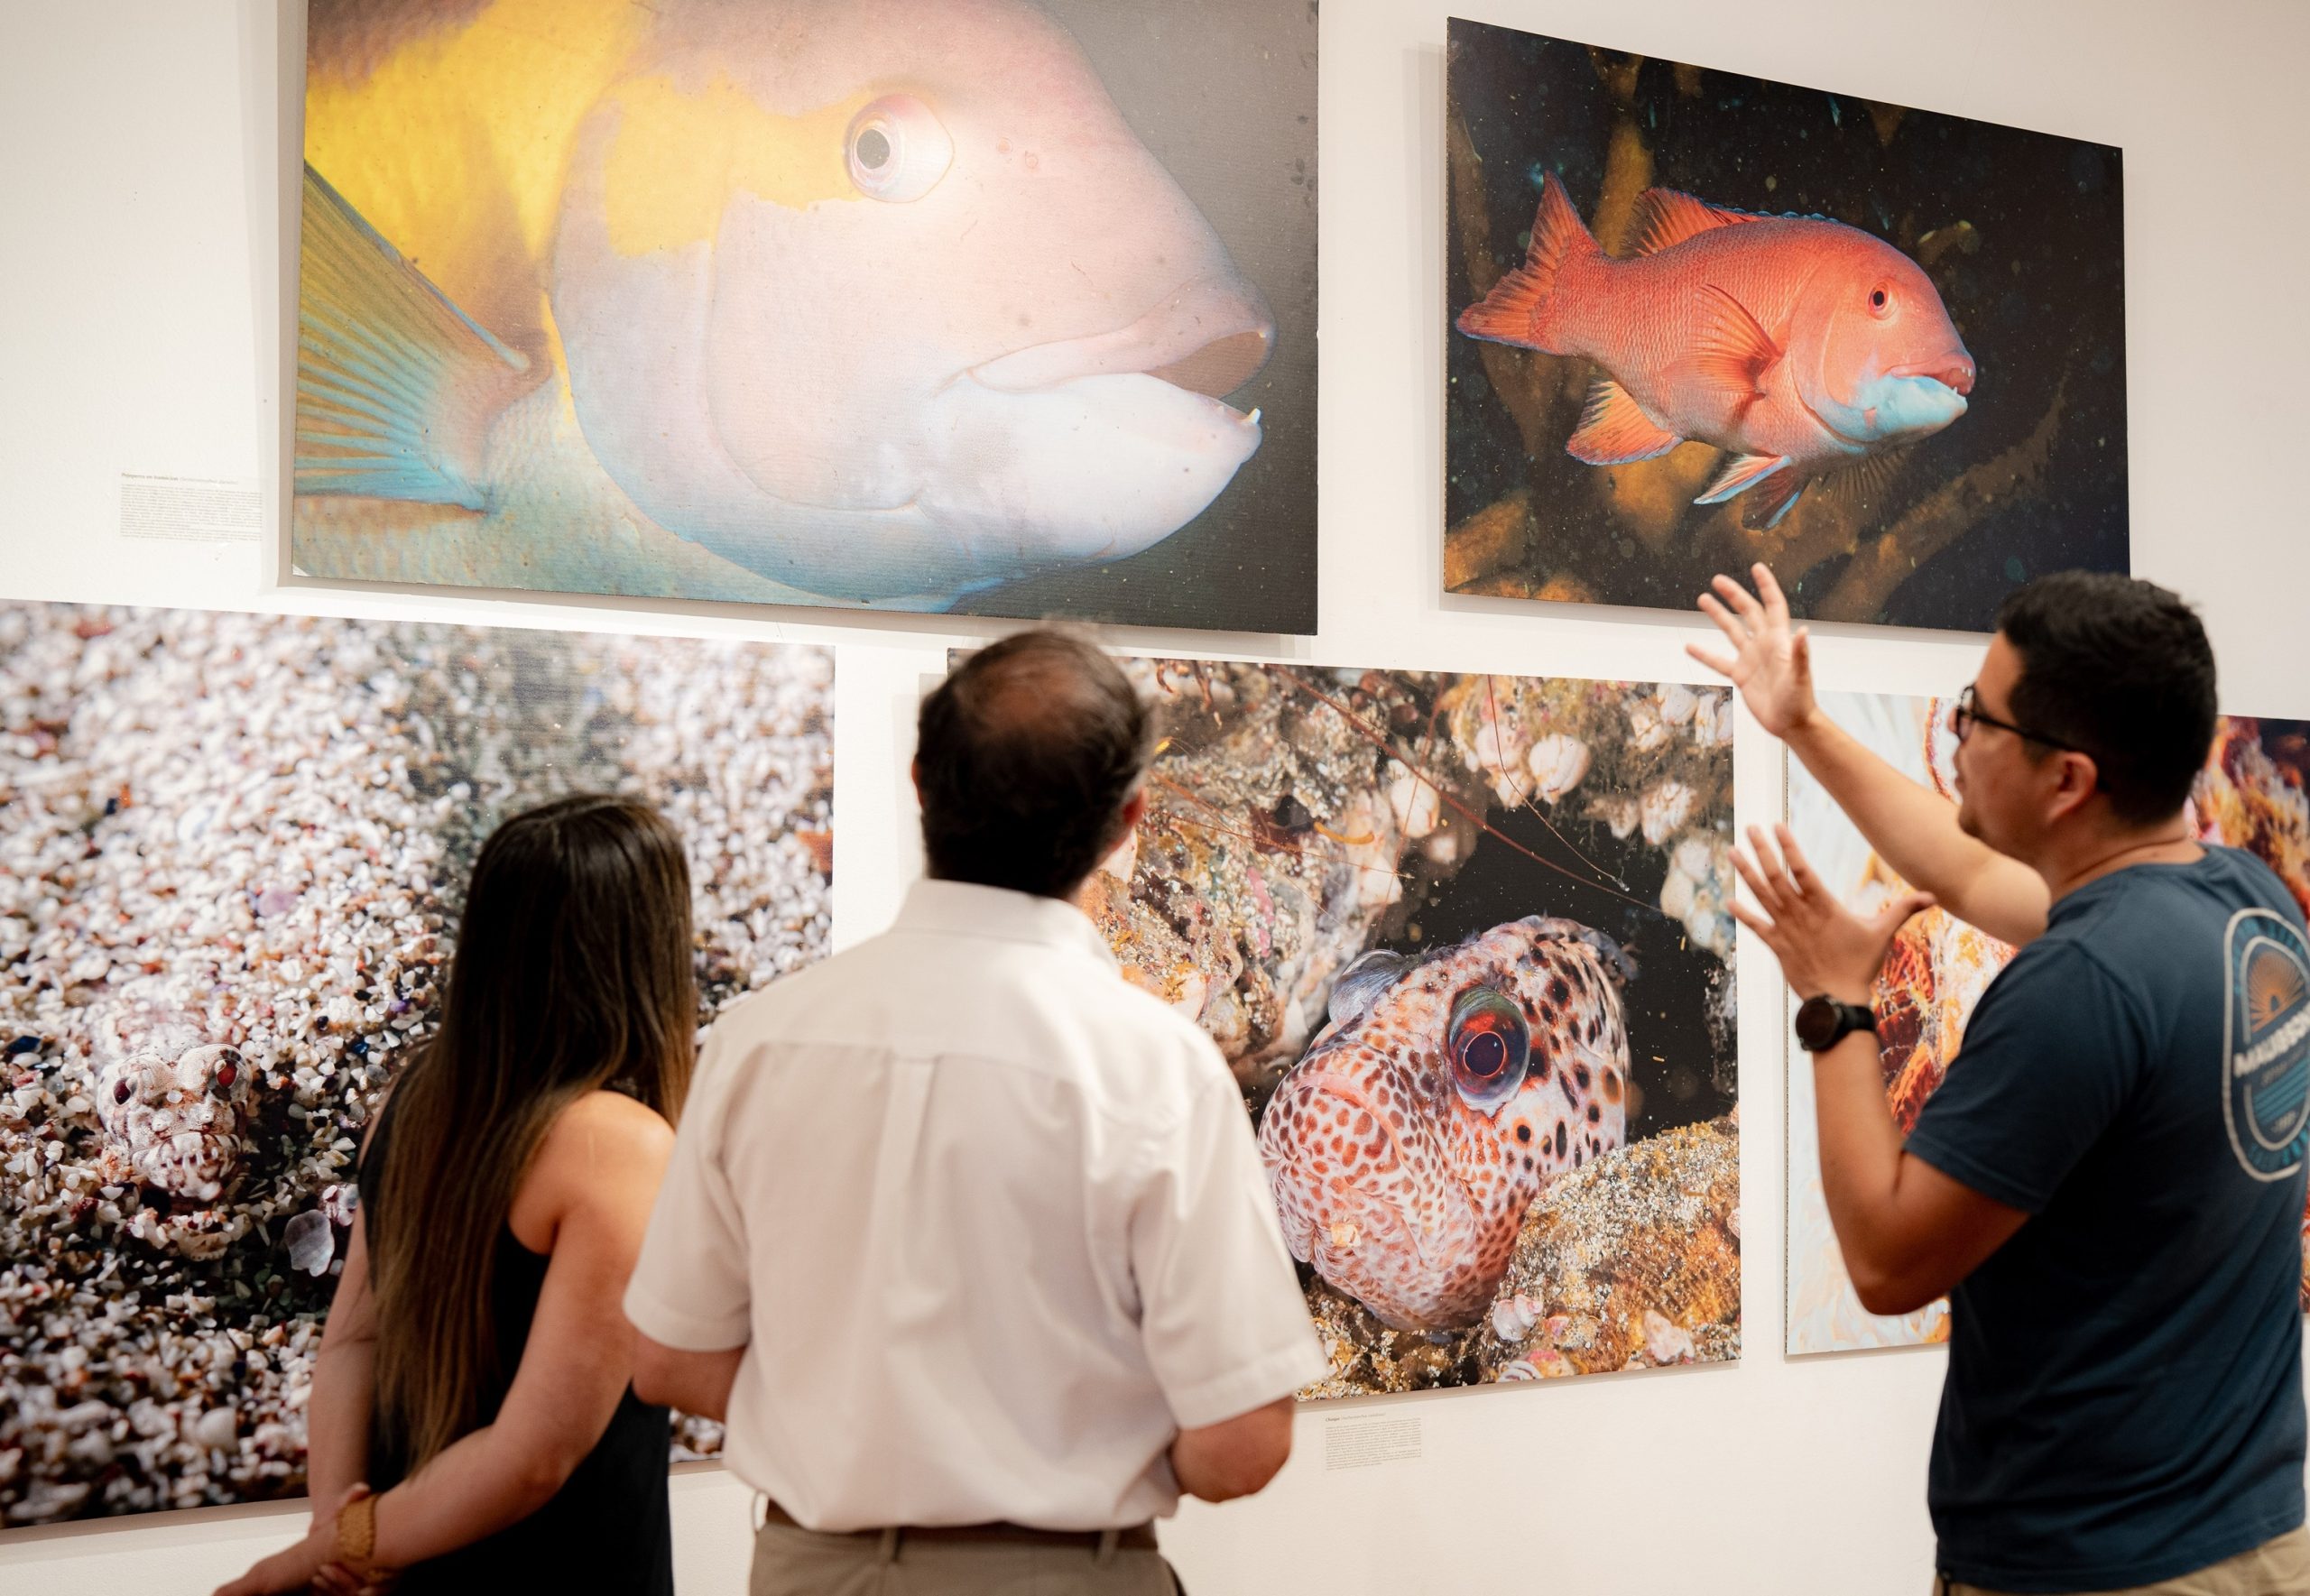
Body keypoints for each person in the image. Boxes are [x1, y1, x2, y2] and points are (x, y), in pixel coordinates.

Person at [624, 628, 1326, 1596]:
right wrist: (1089, 1448)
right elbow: (1243, 1442)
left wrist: (845, 1417)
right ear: (1125, 821)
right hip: (1065, 1574)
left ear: (921, 782)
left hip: (814, 1571)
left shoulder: (759, 1041)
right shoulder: (1160, 1071)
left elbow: (669, 1357)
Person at [1694, 566, 2310, 1595]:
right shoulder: (2248, 903)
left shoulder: (2077, 984)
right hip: (2255, 1538)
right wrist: (1802, 724)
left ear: (2066, 780)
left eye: (1979, 716)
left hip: (2093, 1568)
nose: (1959, 733)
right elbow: (1969, 871)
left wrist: (1837, 1002)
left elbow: (1887, 1263)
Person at [217, 794, 695, 1595]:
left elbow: (351, 1342)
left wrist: (344, 1534)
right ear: (647, 947)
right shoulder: (619, 1141)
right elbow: (533, 1457)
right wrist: (328, 1549)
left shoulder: (416, 1095)